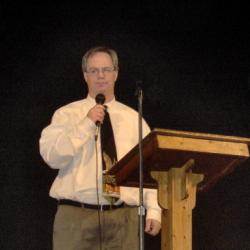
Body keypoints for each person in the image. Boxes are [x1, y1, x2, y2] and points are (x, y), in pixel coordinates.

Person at [39, 46, 161, 250]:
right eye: (94, 71)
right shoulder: (66, 114)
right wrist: (86, 123)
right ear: (85, 75)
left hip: (123, 217)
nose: (101, 75)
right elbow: (52, 157)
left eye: (106, 69)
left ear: (116, 73)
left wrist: (154, 210)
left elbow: (149, 168)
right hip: (76, 218)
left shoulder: (133, 119)